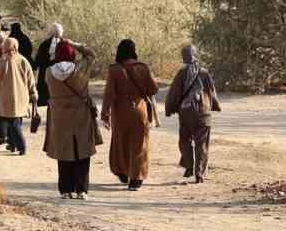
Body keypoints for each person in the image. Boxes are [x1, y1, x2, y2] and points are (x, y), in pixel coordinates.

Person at [43, 40, 100, 199]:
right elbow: (91, 54)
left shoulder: (49, 72)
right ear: (72, 54)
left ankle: (66, 189)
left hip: (59, 116)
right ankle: (82, 189)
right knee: (82, 150)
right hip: (81, 114)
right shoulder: (80, 70)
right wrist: (75, 44)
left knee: (64, 151)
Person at [102, 38, 158, 190]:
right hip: (140, 112)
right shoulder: (143, 68)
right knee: (139, 145)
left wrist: (105, 114)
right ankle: (136, 179)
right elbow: (153, 89)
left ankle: (122, 172)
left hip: (120, 113)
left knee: (121, 143)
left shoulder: (114, 70)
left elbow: (109, 94)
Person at [163, 44, 221, 183]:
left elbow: (174, 94)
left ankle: (189, 166)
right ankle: (199, 173)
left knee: (185, 140)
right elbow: (211, 92)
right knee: (202, 144)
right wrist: (215, 106)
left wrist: (169, 109)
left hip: (186, 113)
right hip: (203, 114)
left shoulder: (181, 73)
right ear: (195, 55)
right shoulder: (205, 73)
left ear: (183, 57)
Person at [0, 35, 37, 156]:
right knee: (16, 121)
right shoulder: (23, 60)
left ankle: (22, 145)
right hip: (22, 97)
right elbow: (31, 78)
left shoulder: (2, 62)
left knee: (13, 123)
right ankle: (13, 143)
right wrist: (33, 92)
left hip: (8, 99)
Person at [33, 23, 64, 108]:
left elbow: (38, 60)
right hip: (59, 75)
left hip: (49, 74)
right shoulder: (65, 44)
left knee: (50, 101)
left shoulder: (45, 44)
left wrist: (35, 66)